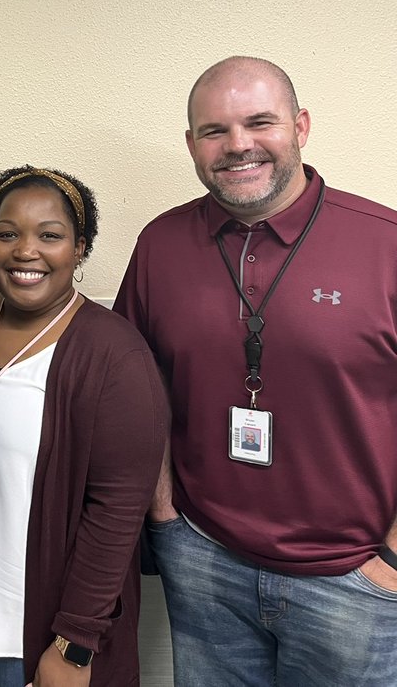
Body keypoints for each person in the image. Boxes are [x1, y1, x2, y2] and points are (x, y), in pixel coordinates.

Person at [115, 56, 397, 686]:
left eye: (259, 122)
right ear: (191, 144)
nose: (238, 145)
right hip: (205, 560)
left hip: (356, 580)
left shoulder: (385, 245)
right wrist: (165, 514)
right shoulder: (160, 244)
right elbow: (137, 387)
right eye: (214, 130)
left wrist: (390, 561)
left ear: (300, 126)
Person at [0, 166, 167, 687]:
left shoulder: (113, 354)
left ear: (80, 248)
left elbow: (117, 514)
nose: (25, 251)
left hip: (35, 631)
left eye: (49, 236)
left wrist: (74, 644)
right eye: (6, 233)